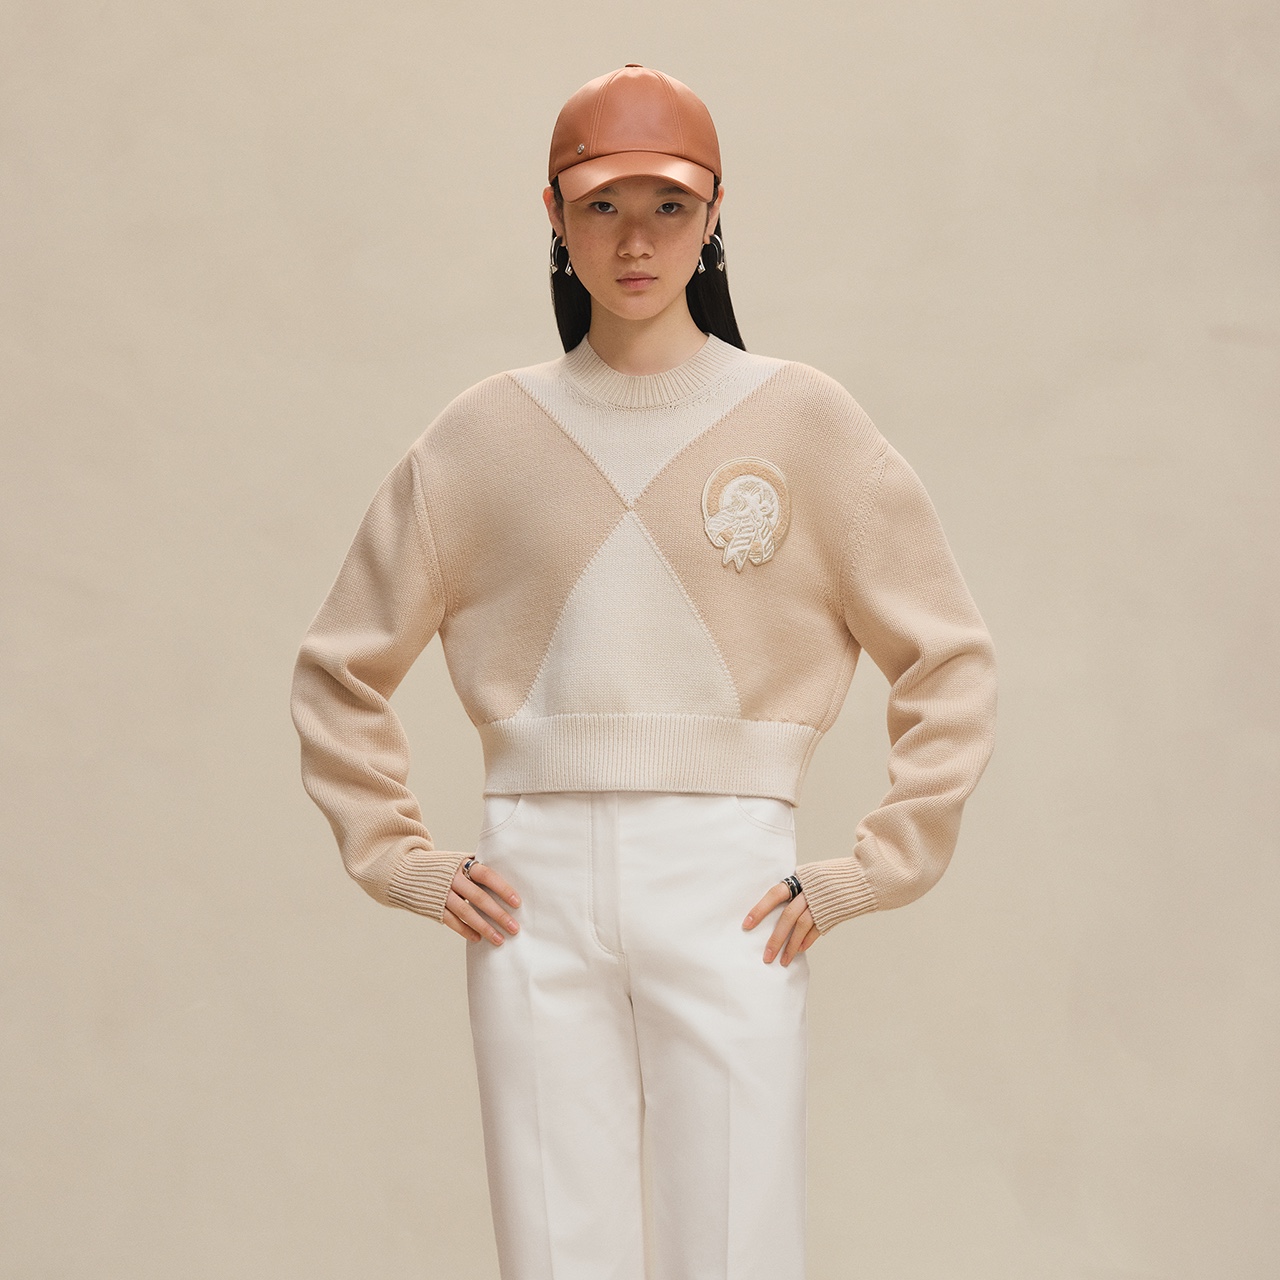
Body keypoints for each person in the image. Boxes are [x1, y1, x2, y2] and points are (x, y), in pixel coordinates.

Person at [290, 63, 997, 1280]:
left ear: (714, 211)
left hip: (730, 881)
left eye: (668, 205)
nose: (634, 240)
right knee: (553, 1253)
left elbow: (948, 656)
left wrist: (870, 870)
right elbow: (335, 668)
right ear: (552, 215)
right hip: (530, 884)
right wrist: (397, 856)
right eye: (602, 205)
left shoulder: (803, 421)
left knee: (737, 1246)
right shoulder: (479, 436)